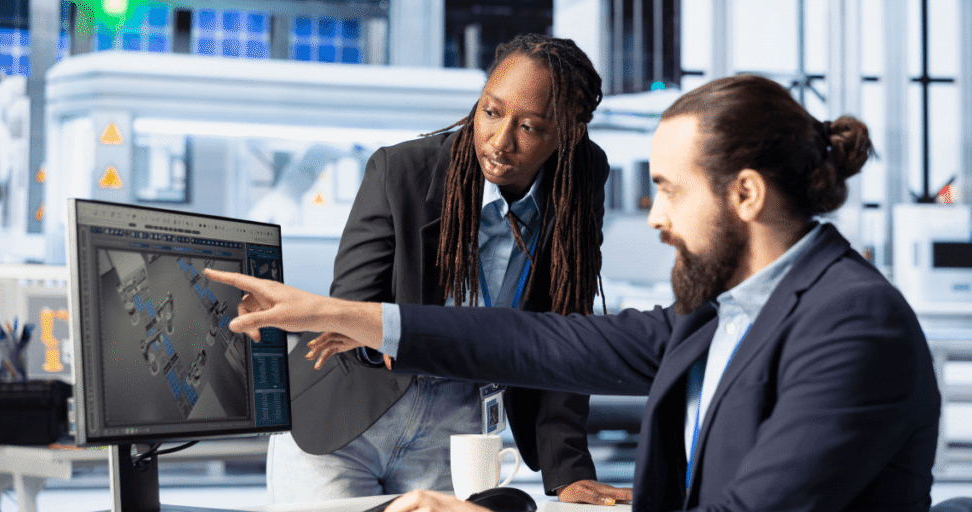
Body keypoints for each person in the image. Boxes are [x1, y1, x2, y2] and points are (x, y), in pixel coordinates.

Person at [206, 74, 941, 512]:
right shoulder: (729, 314)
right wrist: (349, 315)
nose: (655, 218)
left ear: (744, 194)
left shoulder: (852, 324)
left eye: (669, 190)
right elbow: (545, 341)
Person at [266, 33, 631, 506]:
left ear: (568, 133)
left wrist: (569, 471)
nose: (500, 141)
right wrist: (391, 335)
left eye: (530, 127)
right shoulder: (401, 170)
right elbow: (354, 309)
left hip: (455, 435)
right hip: (345, 419)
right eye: (491, 112)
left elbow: (564, 332)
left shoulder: (580, 179)